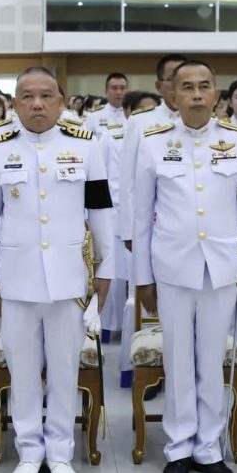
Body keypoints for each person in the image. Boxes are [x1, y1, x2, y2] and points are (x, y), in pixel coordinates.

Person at [133, 60, 237, 473]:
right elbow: (140, 216)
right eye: (187, 87)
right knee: (178, 359)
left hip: (222, 267)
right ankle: (178, 447)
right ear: (172, 96)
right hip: (172, 268)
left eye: (204, 86)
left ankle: (209, 448)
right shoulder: (152, 142)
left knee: (212, 360)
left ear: (216, 95)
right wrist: (142, 278)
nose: (196, 94)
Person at [0, 67, 113, 473]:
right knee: (21, 370)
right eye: (27, 97)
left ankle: (59, 452)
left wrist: (106, 270)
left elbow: (101, 212)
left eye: (46, 96)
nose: (37, 104)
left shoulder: (86, 146)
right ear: (14, 103)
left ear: (61, 101)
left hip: (70, 279)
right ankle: (28, 451)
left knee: (64, 369)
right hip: (15, 279)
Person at [103, 91, 160, 384]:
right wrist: (126, 229)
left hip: (172, 230)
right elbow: (122, 182)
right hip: (130, 220)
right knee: (135, 296)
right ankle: (138, 366)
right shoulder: (120, 133)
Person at [117, 53, 186, 249]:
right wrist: (128, 230)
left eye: (184, 80)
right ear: (159, 86)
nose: (178, 85)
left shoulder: (203, 122)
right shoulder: (140, 121)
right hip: (151, 223)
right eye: (172, 78)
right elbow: (128, 179)